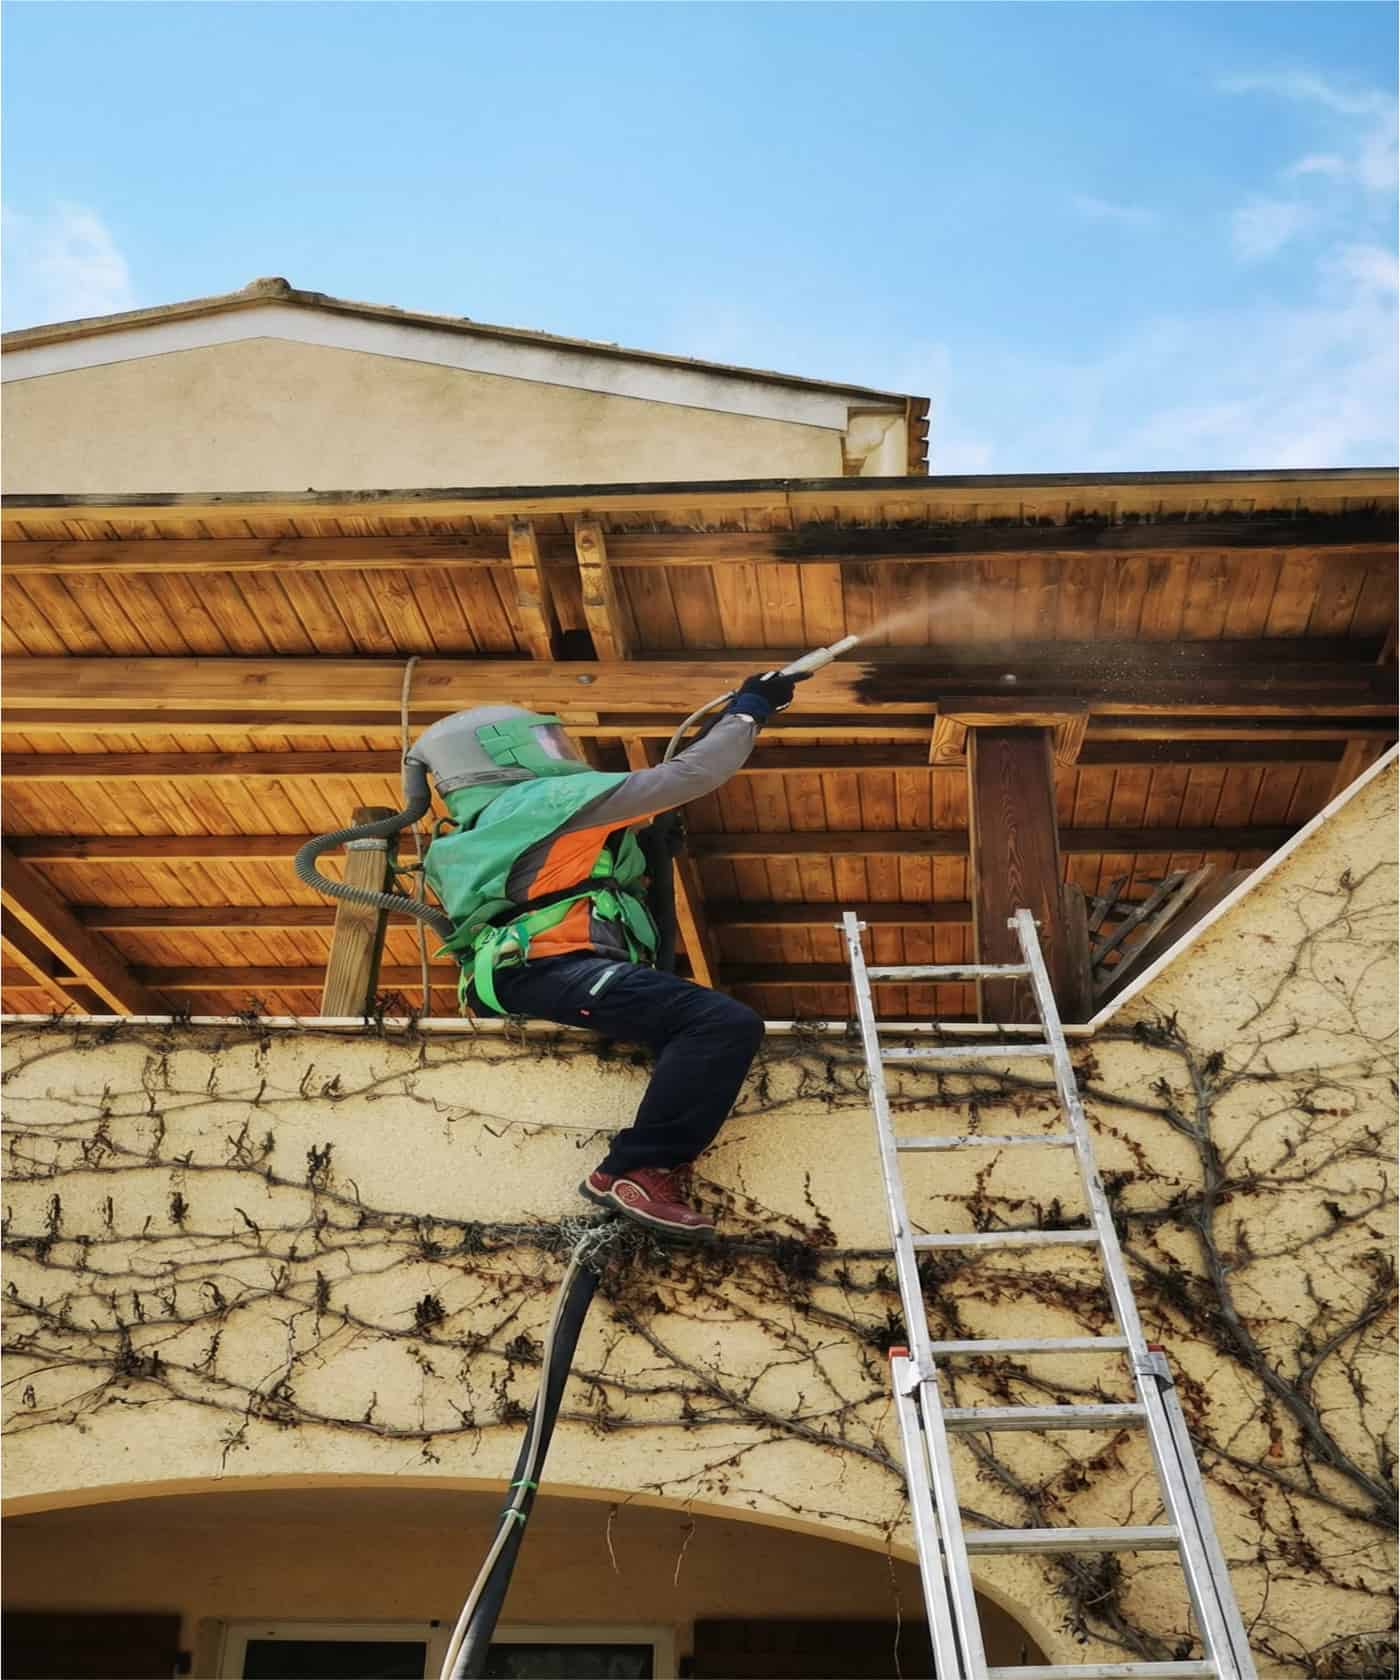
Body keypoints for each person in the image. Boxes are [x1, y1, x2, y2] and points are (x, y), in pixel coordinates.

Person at [408, 670, 808, 1241]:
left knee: (686, 1019)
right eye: (549, 745)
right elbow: (694, 773)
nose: (562, 755)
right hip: (551, 967)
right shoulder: (545, 800)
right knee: (719, 1022)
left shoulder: (485, 828)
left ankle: (644, 1166)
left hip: (525, 972)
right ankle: (637, 1170)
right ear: (503, 753)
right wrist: (749, 711)